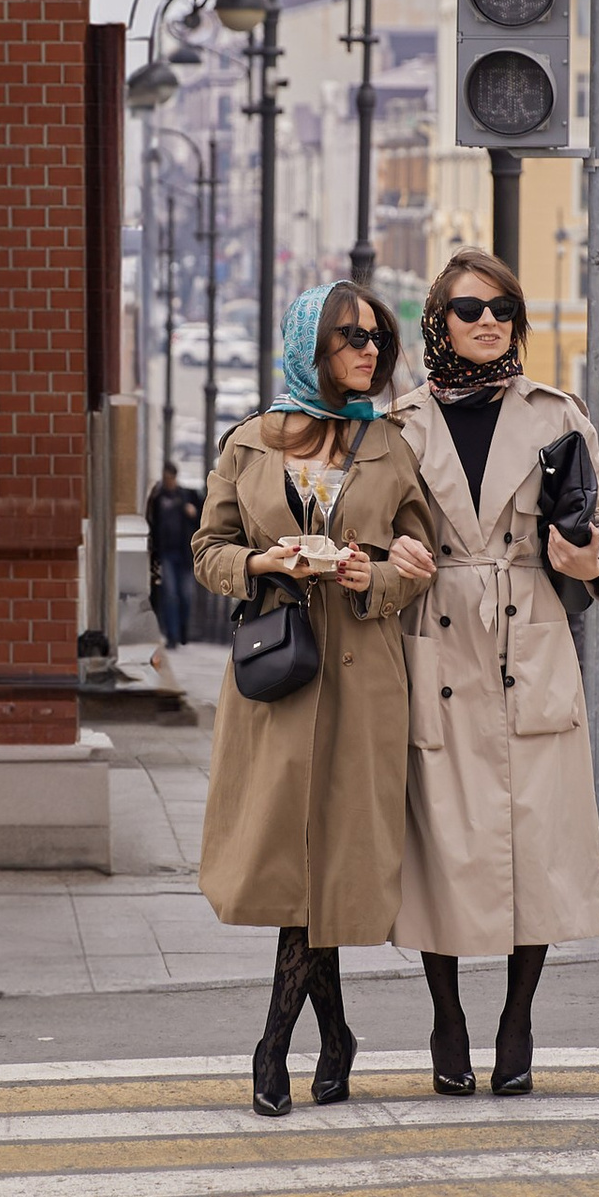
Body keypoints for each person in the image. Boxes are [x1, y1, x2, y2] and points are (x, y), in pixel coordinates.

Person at [192, 281, 436, 1115]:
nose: (369, 351)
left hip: (363, 678)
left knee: (327, 862)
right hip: (278, 677)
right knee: (294, 863)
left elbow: (419, 553)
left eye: (376, 338)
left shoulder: (390, 448)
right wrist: (263, 565)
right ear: (312, 347)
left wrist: (378, 575)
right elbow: (208, 550)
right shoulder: (249, 445)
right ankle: (330, 1037)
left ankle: (275, 1046)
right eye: (350, 338)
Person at [394, 252, 599, 1098]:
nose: (487, 322)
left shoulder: (557, 414)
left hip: (530, 640)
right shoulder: (401, 423)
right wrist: (391, 552)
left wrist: (591, 554)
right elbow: (368, 521)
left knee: (541, 843)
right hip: (441, 638)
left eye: (502, 308)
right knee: (442, 845)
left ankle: (518, 1017)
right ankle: (446, 1015)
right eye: (468, 309)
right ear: (438, 322)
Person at [145, 459, 202, 647]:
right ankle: (172, 636)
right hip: (166, 553)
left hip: (185, 553)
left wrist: (193, 513)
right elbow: (151, 522)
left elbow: (204, 519)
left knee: (185, 595)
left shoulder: (187, 496)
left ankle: (183, 632)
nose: (168, 481)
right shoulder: (158, 497)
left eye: (170, 478)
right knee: (170, 594)